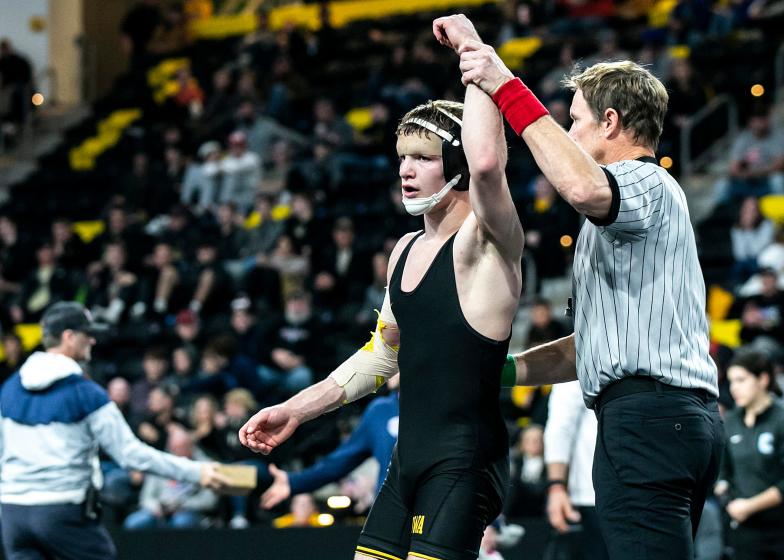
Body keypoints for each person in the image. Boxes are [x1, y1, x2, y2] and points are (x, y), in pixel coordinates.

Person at [432, 14, 723, 560]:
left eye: (576, 121)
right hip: (673, 418)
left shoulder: (642, 180)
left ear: (610, 123)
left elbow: (580, 186)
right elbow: (589, 346)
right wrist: (504, 371)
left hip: (647, 419)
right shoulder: (630, 216)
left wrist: (502, 82)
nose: (568, 134)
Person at [240, 87, 525, 560]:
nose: (405, 170)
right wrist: (295, 409)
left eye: (422, 157)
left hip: (464, 459)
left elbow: (490, 167)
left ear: (457, 162)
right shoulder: (404, 250)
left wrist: (477, 65)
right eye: (402, 157)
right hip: (406, 461)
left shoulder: (487, 243)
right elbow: (381, 355)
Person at [0, 302, 227, 560]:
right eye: (87, 334)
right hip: (60, 510)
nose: (93, 341)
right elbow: (131, 455)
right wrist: (197, 471)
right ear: (68, 337)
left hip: (12, 513)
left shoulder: (8, 389)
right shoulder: (85, 393)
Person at [716, 350, 784, 559]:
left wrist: (749, 506)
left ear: (763, 379)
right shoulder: (731, 421)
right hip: (747, 532)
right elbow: (723, 471)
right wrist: (726, 495)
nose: (734, 388)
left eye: (741, 380)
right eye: (731, 381)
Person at [260, 375, 400, 509]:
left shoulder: (420, 408)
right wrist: (294, 482)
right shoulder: (380, 411)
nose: (394, 365)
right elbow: (341, 460)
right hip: (392, 511)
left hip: (421, 508)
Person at [543, 380, 608, 560]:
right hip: (591, 495)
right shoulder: (578, 356)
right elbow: (560, 426)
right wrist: (556, 487)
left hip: (638, 491)